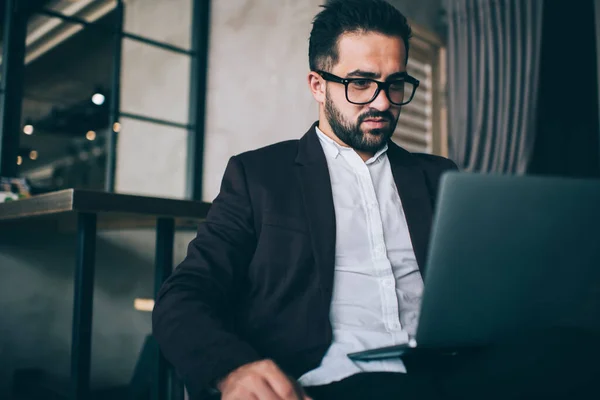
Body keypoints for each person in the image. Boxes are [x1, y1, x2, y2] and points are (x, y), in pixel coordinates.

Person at [152, 1, 600, 399]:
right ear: (316, 84)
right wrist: (232, 368)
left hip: (449, 367)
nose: (383, 103)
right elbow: (187, 293)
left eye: (395, 84)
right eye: (361, 83)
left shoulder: (438, 176)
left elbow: (487, 290)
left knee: (577, 353)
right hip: (336, 376)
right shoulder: (258, 176)